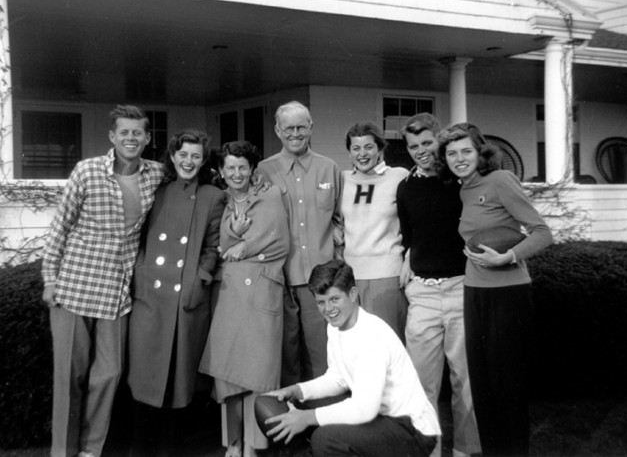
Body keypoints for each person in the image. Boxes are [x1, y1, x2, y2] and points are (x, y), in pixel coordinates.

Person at [41, 105, 164, 457]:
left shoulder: (155, 174)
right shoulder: (87, 171)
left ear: (147, 137)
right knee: (70, 377)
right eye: (123, 132)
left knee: (109, 375)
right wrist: (50, 280)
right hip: (75, 287)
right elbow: (59, 228)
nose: (130, 138)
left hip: (116, 293)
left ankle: (91, 450)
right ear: (112, 136)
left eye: (137, 132)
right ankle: (63, 452)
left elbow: (190, 172)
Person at [437, 123, 552, 457]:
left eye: (466, 151)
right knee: (483, 387)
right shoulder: (462, 189)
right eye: (451, 152)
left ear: (480, 152)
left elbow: (542, 232)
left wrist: (508, 256)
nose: (459, 158)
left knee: (507, 387)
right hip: (474, 292)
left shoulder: (500, 181)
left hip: (508, 293)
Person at [265, 260, 441, 457]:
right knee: (301, 410)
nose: (328, 309)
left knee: (325, 439)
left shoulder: (371, 335)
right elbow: (338, 378)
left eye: (334, 299)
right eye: (321, 302)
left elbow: (365, 409)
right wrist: (298, 390)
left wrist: (307, 418)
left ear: (353, 294)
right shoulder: (335, 326)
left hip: (412, 430)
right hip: (383, 420)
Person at [127, 129, 226, 452]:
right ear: (172, 156)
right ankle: (138, 448)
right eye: (183, 154)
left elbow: (213, 247)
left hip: (187, 298)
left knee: (179, 379)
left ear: (203, 160)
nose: (189, 161)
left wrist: (199, 278)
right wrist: (141, 275)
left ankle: (169, 449)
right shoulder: (156, 191)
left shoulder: (213, 196)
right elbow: (137, 239)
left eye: (196, 156)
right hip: (151, 298)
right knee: (146, 375)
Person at [396, 113, 481, 457]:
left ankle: (465, 450)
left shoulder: (460, 182)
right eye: (413, 146)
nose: (421, 151)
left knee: (466, 382)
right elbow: (409, 235)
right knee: (420, 384)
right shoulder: (406, 188)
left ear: (439, 142)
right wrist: (407, 260)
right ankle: (430, 451)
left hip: (462, 288)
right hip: (423, 294)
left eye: (427, 143)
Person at [199, 141, 290, 457]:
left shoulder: (271, 195)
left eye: (242, 167)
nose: (236, 173)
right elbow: (220, 246)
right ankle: (233, 444)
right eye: (230, 168)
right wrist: (234, 237)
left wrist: (245, 246)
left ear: (253, 169)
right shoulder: (223, 201)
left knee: (258, 371)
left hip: (262, 292)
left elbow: (280, 242)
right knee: (228, 373)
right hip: (230, 296)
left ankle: (253, 444)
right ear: (221, 172)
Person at [256, 101, 343, 386]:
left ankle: (324, 417)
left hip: (320, 280)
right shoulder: (263, 171)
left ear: (311, 128)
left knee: (322, 354)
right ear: (277, 130)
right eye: (288, 128)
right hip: (279, 277)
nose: (295, 134)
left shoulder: (329, 168)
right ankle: (291, 417)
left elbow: (340, 219)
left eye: (301, 127)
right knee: (285, 355)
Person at [340, 121, 409, 341]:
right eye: (356, 148)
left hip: (387, 274)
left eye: (368, 147)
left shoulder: (398, 176)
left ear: (380, 149)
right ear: (350, 152)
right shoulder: (342, 179)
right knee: (356, 344)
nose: (362, 154)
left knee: (388, 343)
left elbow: (417, 219)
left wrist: (411, 256)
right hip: (350, 276)